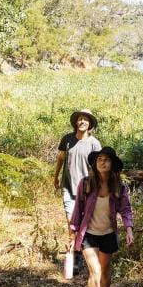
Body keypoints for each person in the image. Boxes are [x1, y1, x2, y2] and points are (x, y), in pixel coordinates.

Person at [68, 147, 134, 287]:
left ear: (112, 164)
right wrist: (72, 234)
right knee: (94, 272)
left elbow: (126, 209)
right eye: (99, 159)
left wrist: (129, 228)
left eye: (106, 159)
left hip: (108, 234)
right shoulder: (86, 183)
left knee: (104, 271)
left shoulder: (119, 187)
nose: (102, 162)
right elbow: (77, 209)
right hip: (88, 234)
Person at [54, 109, 101, 271]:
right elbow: (60, 159)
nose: (82, 122)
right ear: (76, 122)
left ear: (90, 124)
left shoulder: (95, 143)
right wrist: (55, 177)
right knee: (71, 223)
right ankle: (73, 257)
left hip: (87, 190)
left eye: (85, 120)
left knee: (84, 223)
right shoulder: (67, 139)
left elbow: (99, 167)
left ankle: (81, 252)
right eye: (80, 119)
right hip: (68, 187)